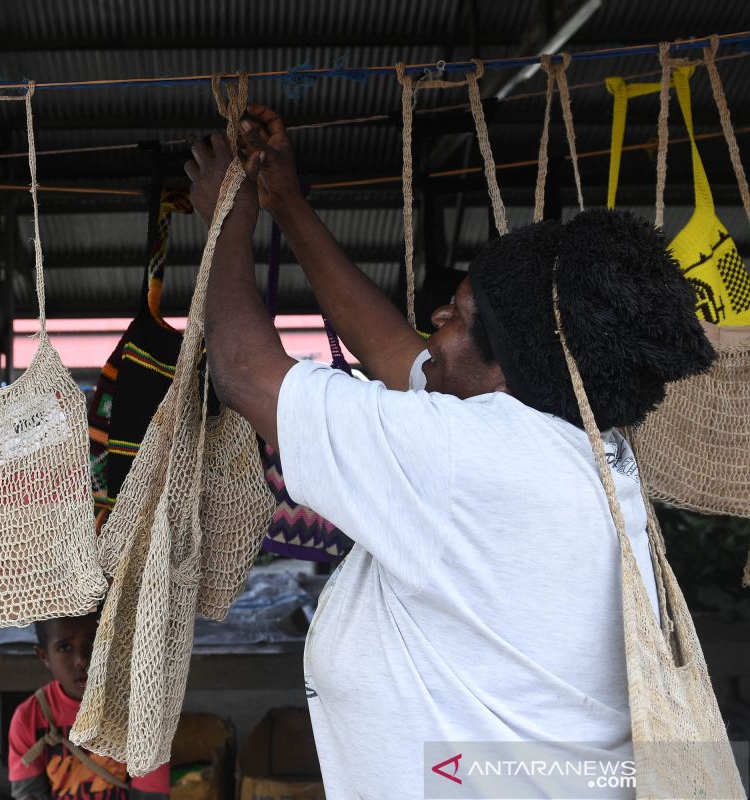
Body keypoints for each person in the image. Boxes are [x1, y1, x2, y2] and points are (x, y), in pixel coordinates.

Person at [186, 106, 716, 799]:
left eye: (460, 316)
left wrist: (227, 218)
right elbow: (390, 350)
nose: (436, 320)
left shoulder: (476, 460)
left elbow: (244, 372)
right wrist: (284, 202)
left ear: (509, 367)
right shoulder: (564, 441)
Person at [8, 612, 171, 800]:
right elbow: (29, 794)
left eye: (94, 641)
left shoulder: (141, 713)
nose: (82, 660)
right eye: (65, 647)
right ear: (44, 657)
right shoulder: (30, 717)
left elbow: (150, 795)